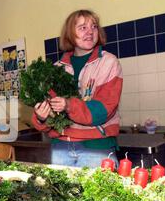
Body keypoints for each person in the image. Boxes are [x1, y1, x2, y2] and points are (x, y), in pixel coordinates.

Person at [32, 9, 123, 168]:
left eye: (94, 27)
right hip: (60, 147)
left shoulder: (109, 62)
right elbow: (51, 116)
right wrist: (41, 117)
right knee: (60, 193)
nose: (90, 32)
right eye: (82, 28)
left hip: (96, 148)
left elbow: (104, 109)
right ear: (69, 34)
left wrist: (69, 105)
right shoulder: (56, 69)